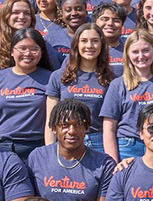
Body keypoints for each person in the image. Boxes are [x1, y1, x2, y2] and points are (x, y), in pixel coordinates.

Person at [0, 27, 54, 158]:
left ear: (42, 52)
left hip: (35, 148)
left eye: (34, 49)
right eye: (22, 48)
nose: (28, 53)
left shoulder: (51, 79)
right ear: (11, 51)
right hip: (0, 147)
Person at [45, 22, 113, 152]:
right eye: (84, 41)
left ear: (102, 45)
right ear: (76, 45)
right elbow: (50, 120)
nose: (89, 46)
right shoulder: (58, 76)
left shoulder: (110, 79)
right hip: (66, 140)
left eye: (95, 41)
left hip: (98, 143)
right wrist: (50, 151)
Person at [100, 31, 153, 161]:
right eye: (135, 52)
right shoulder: (118, 85)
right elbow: (108, 128)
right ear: (128, 55)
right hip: (128, 146)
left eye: (146, 50)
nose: (141, 56)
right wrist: (113, 163)